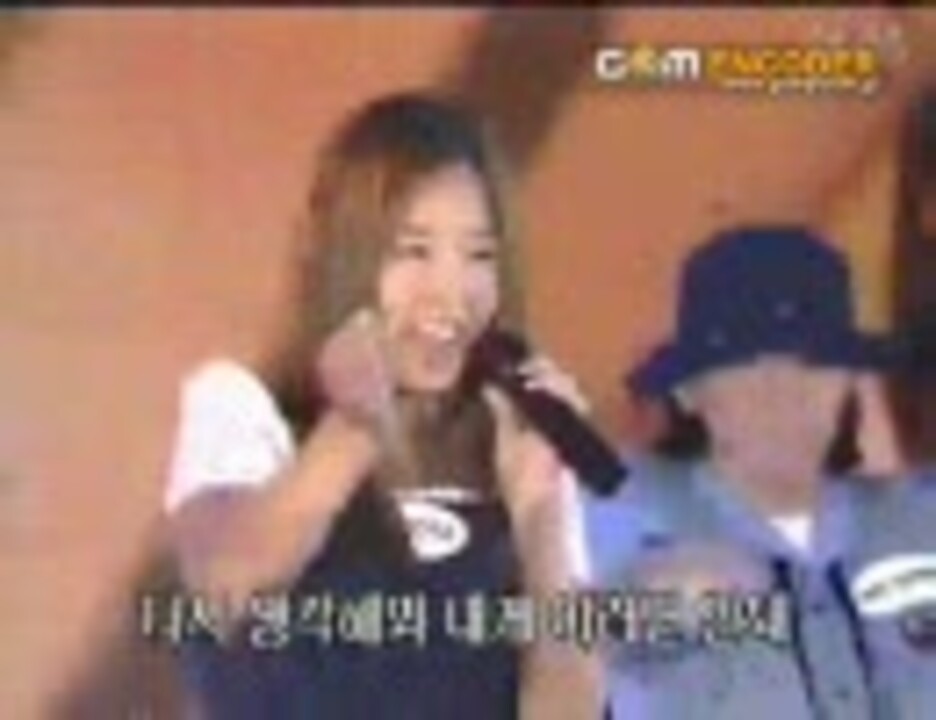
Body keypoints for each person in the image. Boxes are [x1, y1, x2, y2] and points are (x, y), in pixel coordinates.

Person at [163, 92, 601, 719]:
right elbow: (226, 580)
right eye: (414, 250)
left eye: (479, 255)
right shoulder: (245, 407)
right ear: (348, 258)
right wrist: (353, 428)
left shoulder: (517, 439)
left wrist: (541, 515)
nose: (450, 290)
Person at [584, 225, 936, 719]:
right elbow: (493, 631)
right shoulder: (615, 512)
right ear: (687, 390)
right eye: (745, 359)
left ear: (848, 378)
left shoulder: (918, 518)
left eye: (812, 358)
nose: (782, 388)